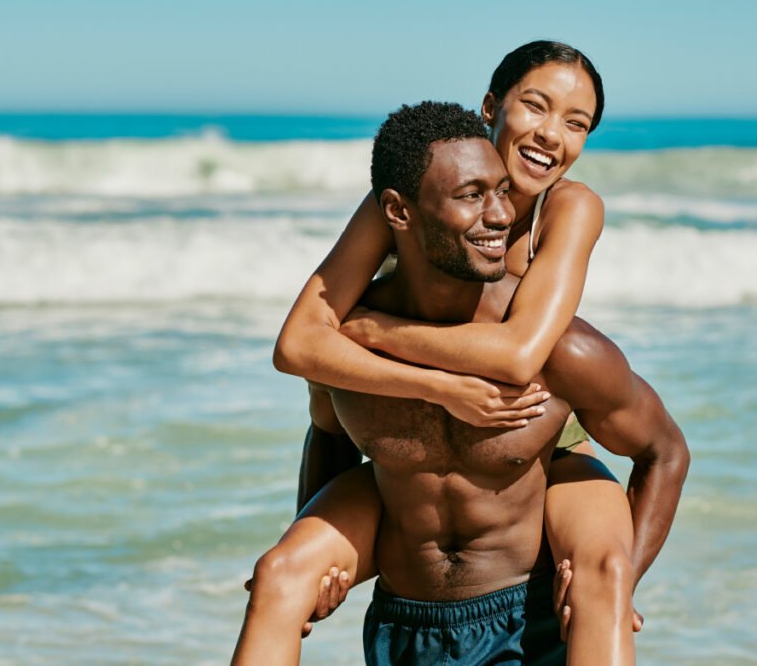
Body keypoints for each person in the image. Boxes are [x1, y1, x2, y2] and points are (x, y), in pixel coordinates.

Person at [232, 102, 689, 665]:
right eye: (472, 196)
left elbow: (664, 451)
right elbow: (328, 436)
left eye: (502, 192)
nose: (500, 215)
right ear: (398, 212)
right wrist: (316, 562)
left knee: (605, 569)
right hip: (407, 620)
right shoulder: (349, 351)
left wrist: (624, 587)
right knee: (277, 574)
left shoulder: (559, 351)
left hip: (530, 618)